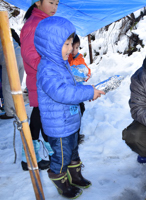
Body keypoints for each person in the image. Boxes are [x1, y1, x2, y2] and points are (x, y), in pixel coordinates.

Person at [34, 16, 105, 199]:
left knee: (73, 151)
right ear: (50, 44)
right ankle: (62, 183)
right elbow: (62, 93)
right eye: (65, 44)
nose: (70, 49)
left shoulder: (62, 64)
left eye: (71, 44)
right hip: (58, 126)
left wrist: (88, 91)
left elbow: (72, 89)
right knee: (61, 157)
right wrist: (87, 93)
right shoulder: (47, 69)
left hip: (70, 121)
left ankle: (75, 176)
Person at [20, 0, 58, 171]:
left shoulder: (43, 21)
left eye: (57, 3)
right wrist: (50, 67)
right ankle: (29, 155)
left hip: (45, 76)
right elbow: (29, 54)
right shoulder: (33, 24)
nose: (55, 7)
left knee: (42, 115)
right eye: (51, 2)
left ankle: (41, 152)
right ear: (38, 2)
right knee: (39, 115)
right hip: (39, 77)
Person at [68, 34, 91, 144]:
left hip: (79, 93)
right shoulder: (65, 58)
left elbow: (87, 70)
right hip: (71, 94)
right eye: (72, 47)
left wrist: (86, 74)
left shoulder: (80, 58)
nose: (74, 50)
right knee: (73, 114)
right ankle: (73, 136)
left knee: (80, 111)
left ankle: (76, 133)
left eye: (77, 47)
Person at [0, 29, 24, 119]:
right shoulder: (9, 30)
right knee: (17, 87)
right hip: (20, 57)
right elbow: (20, 42)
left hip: (9, 60)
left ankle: (10, 112)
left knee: (7, 88)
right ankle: (19, 109)